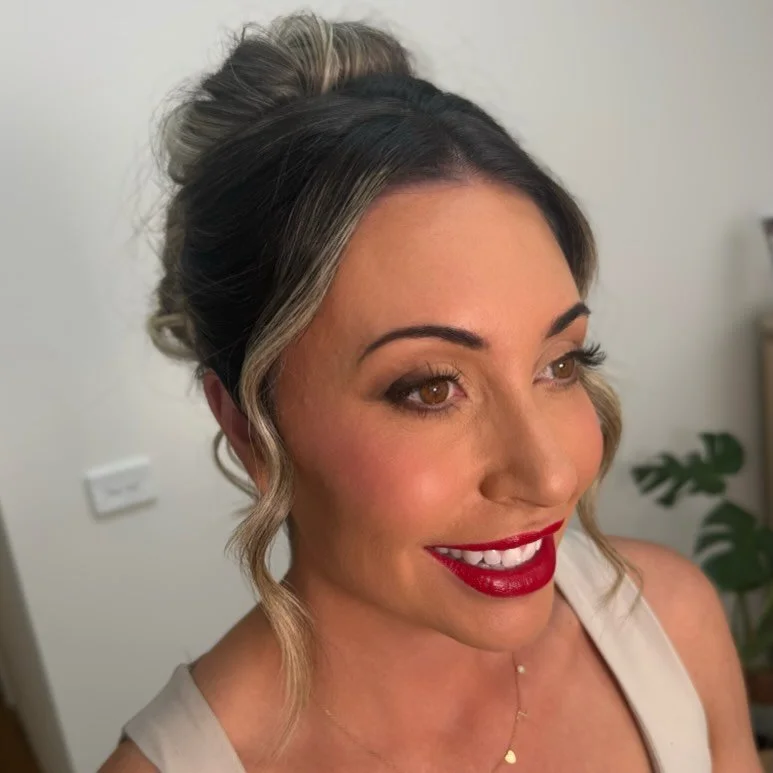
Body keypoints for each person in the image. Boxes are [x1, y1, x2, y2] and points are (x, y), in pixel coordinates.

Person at [100, 12, 760, 773]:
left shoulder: (669, 621)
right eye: (432, 388)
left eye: (560, 364)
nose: (550, 476)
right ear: (249, 425)